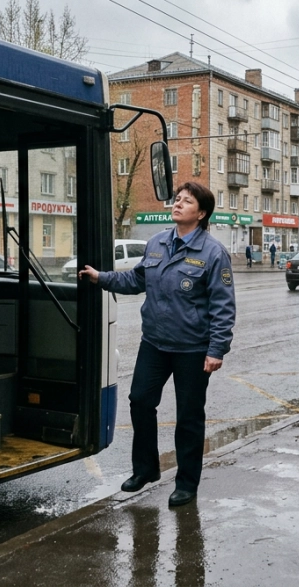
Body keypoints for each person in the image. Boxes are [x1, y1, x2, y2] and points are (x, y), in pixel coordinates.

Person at [78, 182, 235, 508]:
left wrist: (216, 349)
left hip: (193, 348)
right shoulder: (157, 242)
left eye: (187, 201)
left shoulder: (213, 253)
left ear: (201, 213)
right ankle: (146, 469)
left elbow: (223, 306)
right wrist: (100, 278)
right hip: (155, 342)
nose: (178, 204)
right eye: (177, 199)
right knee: (140, 401)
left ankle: (186, 483)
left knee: (189, 417)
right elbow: (136, 279)